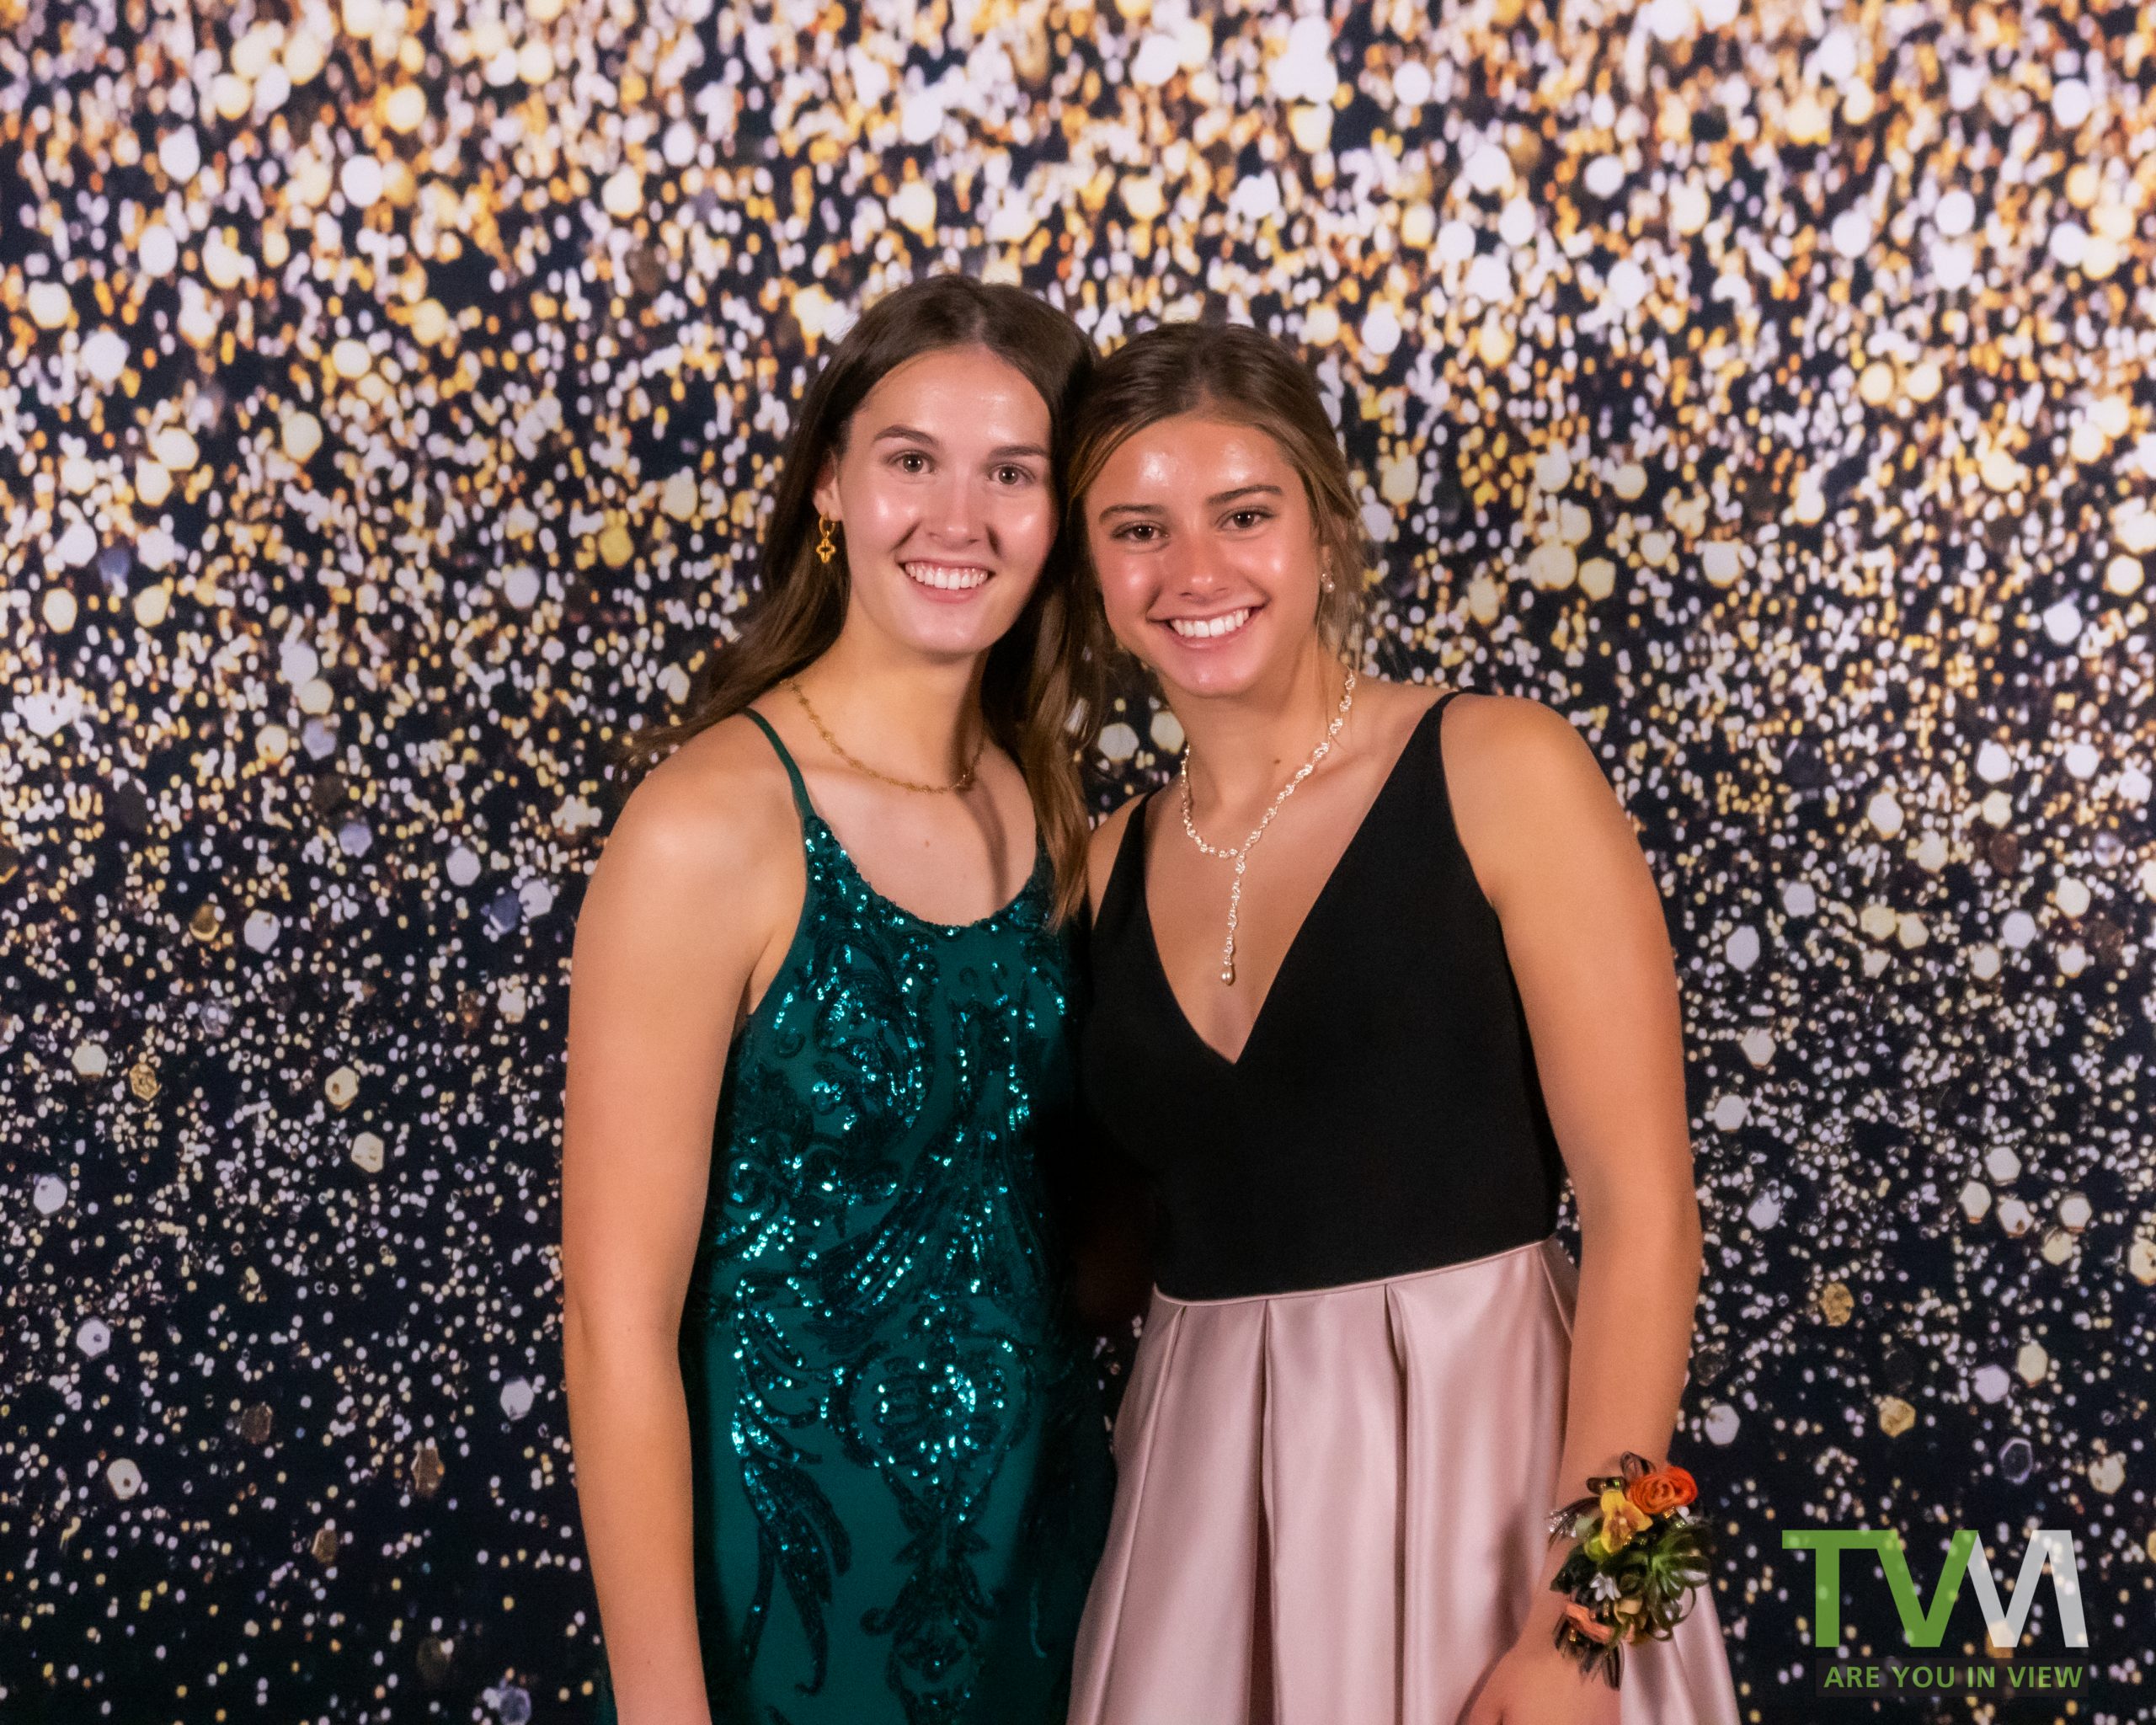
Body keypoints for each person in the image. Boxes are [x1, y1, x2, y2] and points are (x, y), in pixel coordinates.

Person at [1061, 320, 1742, 1725]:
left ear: (1322, 525)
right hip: (1199, 1517)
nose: (1194, 571)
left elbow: (1651, 1221)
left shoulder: (1504, 766)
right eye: (1138, 530)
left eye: (1243, 514)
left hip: (1497, 1495)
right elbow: (1092, 1262)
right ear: (1092, 568)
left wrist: (1594, 1626)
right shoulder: (1095, 867)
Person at [559, 274, 1113, 1725]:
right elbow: (615, 1323)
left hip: (1047, 1575)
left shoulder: (1049, 804)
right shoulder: (709, 825)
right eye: (911, 460)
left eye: (1013, 474)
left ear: (1060, 519)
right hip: (787, 1612)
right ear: (829, 485)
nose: (958, 519)